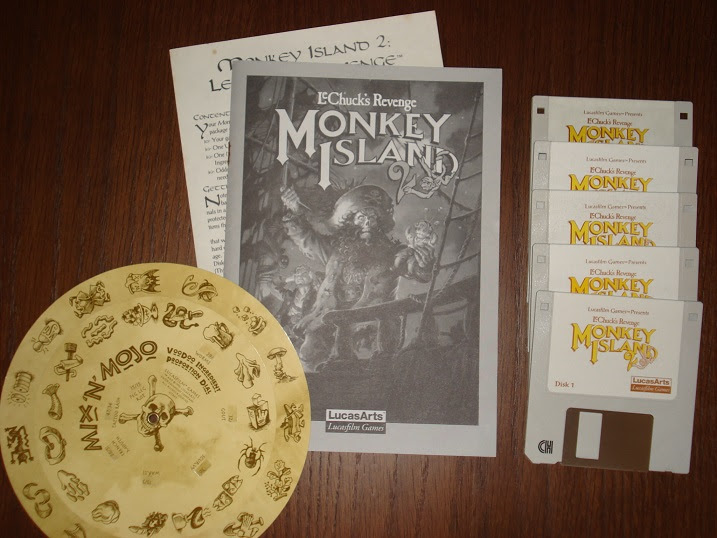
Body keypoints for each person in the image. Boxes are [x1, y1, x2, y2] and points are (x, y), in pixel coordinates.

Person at [281, 184, 435, 371]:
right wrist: (295, 211)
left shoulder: (392, 252)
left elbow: (411, 266)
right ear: (351, 222)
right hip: (327, 319)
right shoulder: (335, 249)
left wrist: (423, 264)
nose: (367, 222)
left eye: (372, 218)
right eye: (361, 217)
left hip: (372, 326)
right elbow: (307, 239)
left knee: (372, 366)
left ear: (380, 222)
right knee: (307, 356)